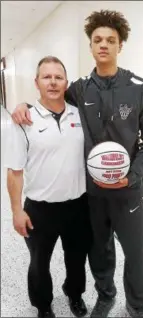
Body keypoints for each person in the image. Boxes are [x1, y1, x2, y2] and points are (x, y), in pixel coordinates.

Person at [11, 10, 143, 318]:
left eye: (110, 40)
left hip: (129, 193)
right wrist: (23, 106)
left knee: (135, 252)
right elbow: (50, 99)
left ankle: (137, 305)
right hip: (92, 194)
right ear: (91, 45)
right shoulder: (79, 89)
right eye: (97, 40)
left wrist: (132, 176)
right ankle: (105, 295)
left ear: (120, 45)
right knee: (99, 250)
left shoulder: (140, 88)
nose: (103, 45)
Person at [5, 56, 92, 318]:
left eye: (58, 77)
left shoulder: (80, 115)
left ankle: (74, 294)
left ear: (67, 83)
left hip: (78, 205)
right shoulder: (24, 120)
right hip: (40, 209)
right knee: (38, 264)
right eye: (46, 77)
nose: (52, 82)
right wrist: (16, 211)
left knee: (77, 259)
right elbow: (15, 171)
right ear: (37, 82)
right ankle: (43, 305)